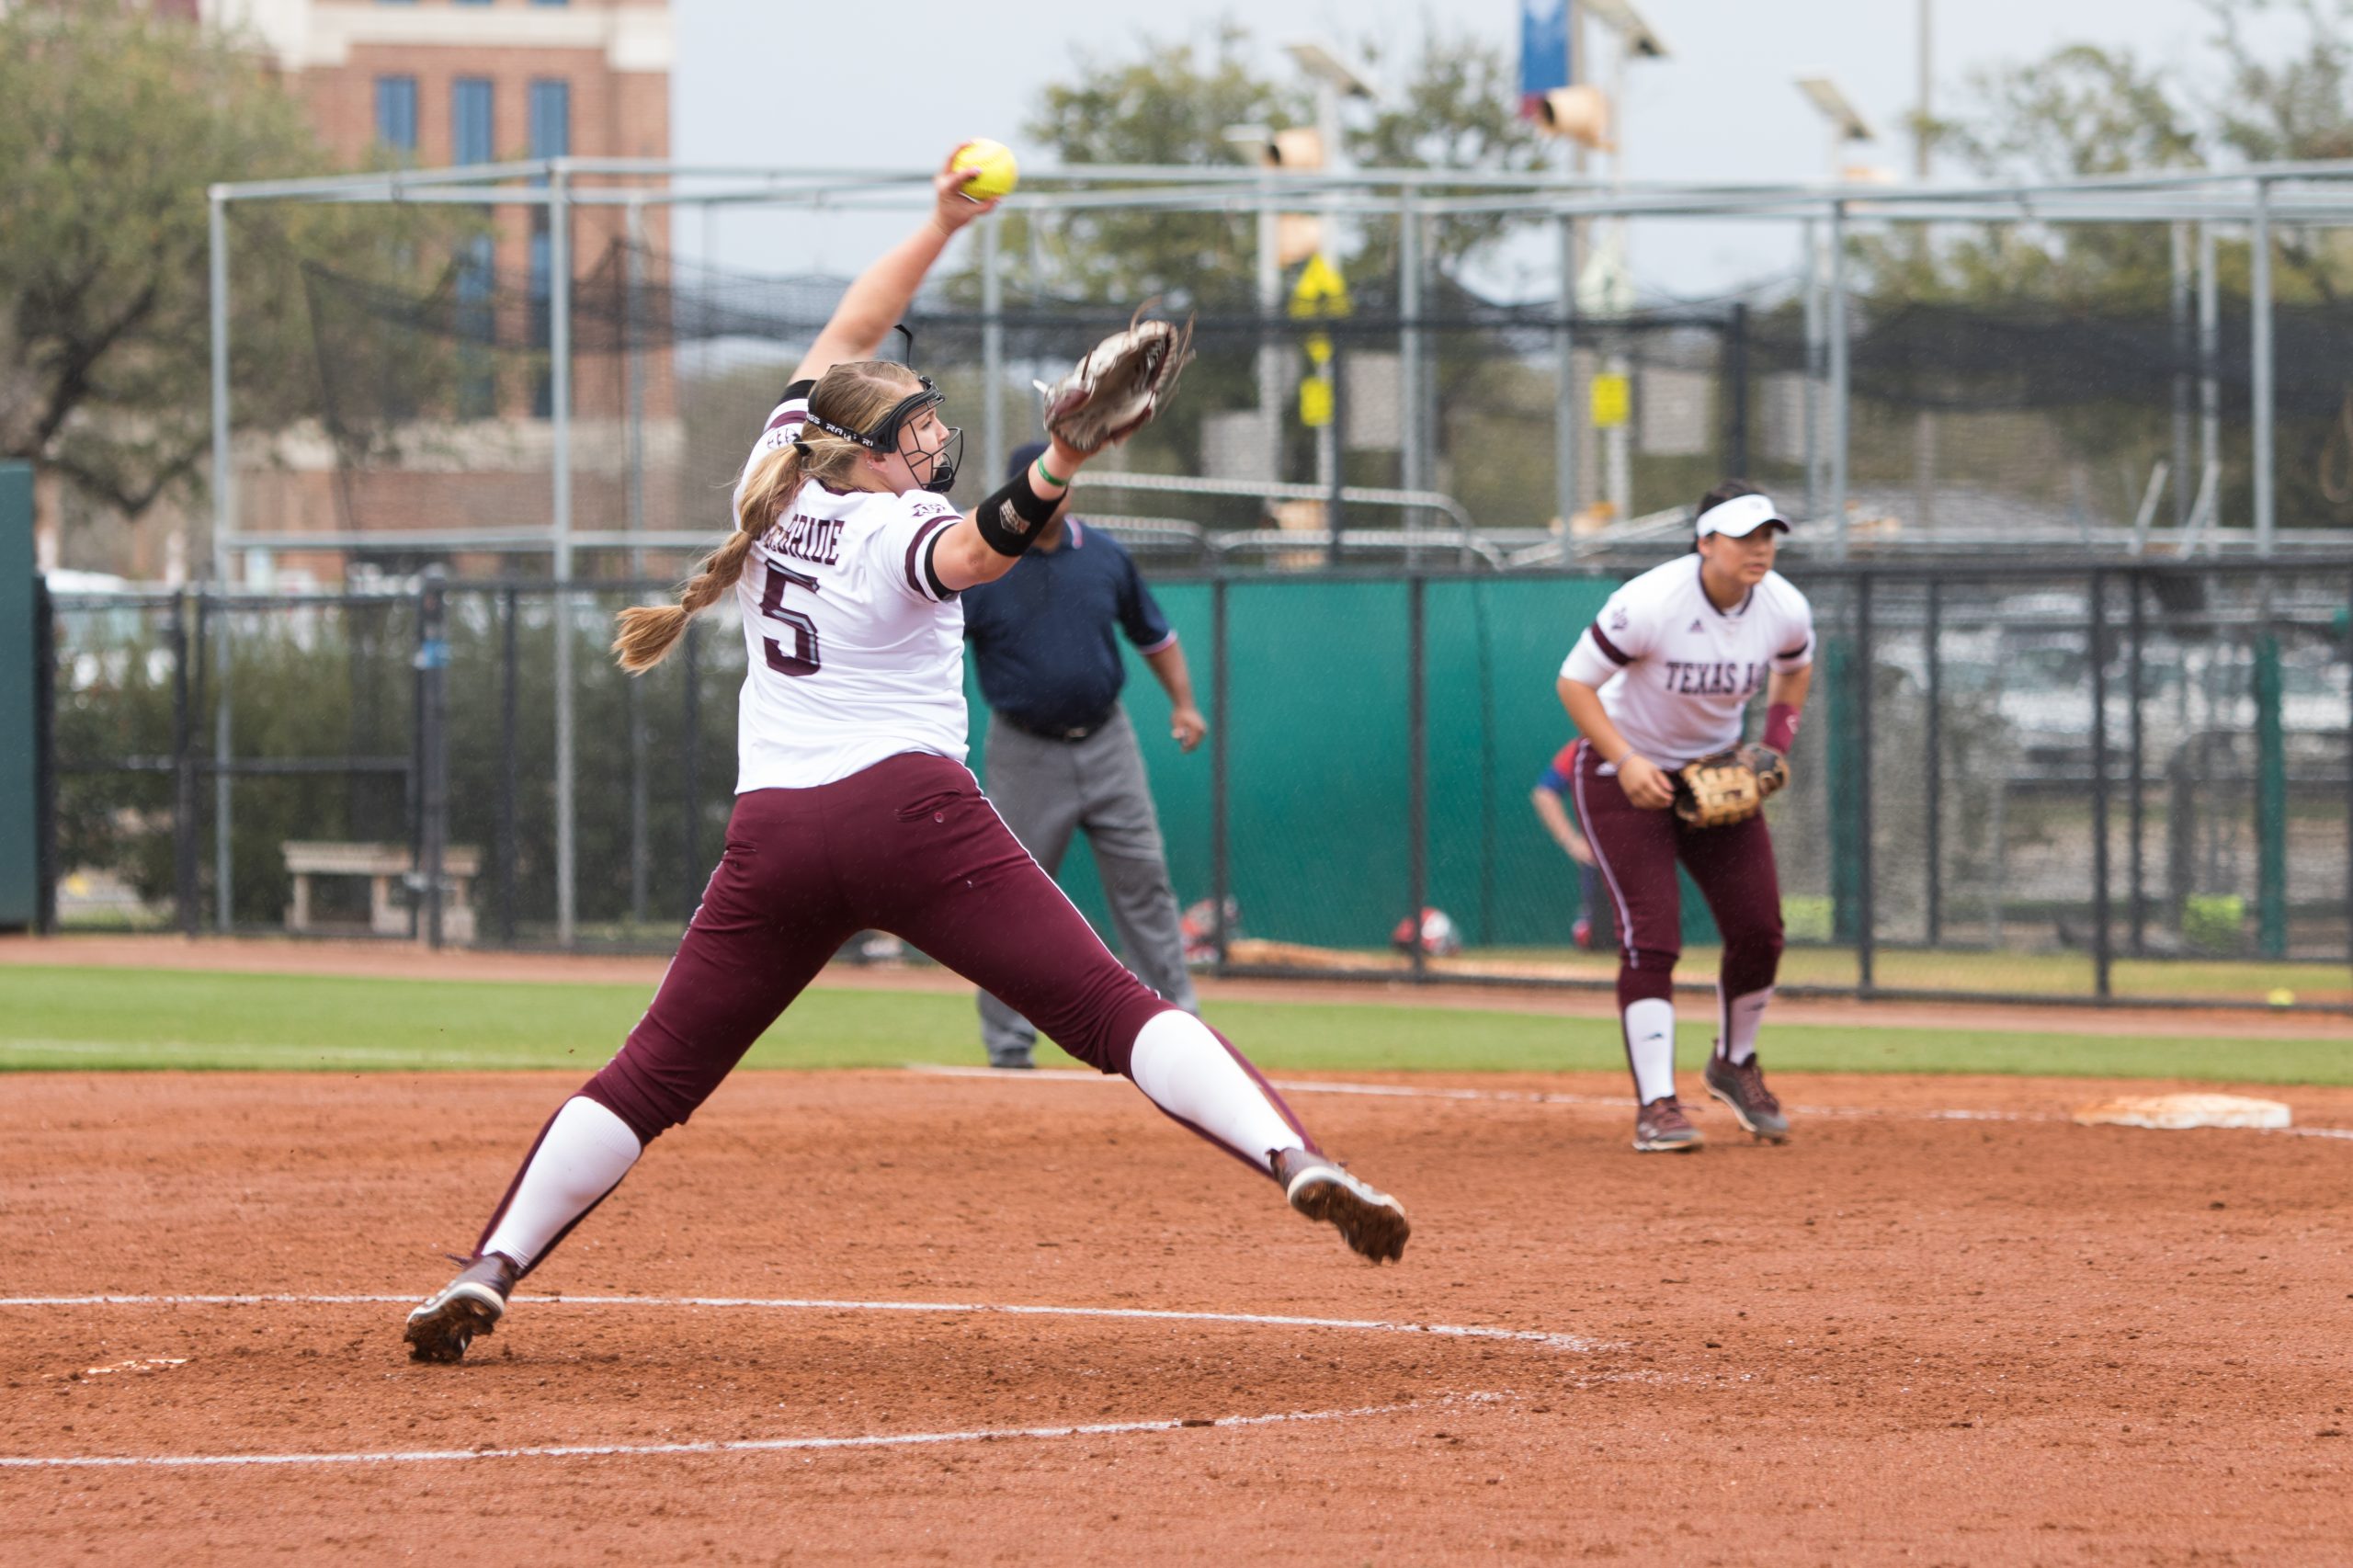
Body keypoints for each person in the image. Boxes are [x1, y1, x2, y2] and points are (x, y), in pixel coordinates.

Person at [402, 151, 1409, 1365]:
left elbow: (853, 324)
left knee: (653, 1073)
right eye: (918, 429)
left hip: (776, 836)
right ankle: (1295, 1156)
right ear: (873, 453)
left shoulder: (771, 479)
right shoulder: (900, 525)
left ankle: (490, 1263)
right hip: (911, 818)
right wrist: (1066, 462)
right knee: (1112, 1008)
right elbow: (986, 549)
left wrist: (939, 223)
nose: (935, 440)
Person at [1554, 481, 1813, 1153]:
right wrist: (1627, 758)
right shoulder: (1649, 602)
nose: (1761, 549)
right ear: (1705, 543)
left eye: (1768, 536)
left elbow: (1794, 671)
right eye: (1745, 537)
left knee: (1761, 929)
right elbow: (1574, 684)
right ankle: (1656, 1106)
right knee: (1653, 937)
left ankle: (1735, 1063)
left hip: (1714, 778)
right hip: (1622, 775)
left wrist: (1773, 746)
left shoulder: (1784, 607)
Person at [961, 440, 1207, 1070]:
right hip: (1023, 749)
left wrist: (1183, 703)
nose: (1052, 494)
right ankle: (1009, 1045)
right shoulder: (984, 562)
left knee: (1144, 880)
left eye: (1060, 483)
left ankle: (1177, 1027)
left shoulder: (1102, 556)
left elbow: (1155, 635)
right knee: (1010, 896)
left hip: (1106, 740)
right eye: (1038, 483)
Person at [1528, 744, 1611, 951]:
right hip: (1601, 863)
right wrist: (1571, 841)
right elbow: (1544, 793)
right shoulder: (1585, 748)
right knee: (1603, 943)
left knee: (1650, 940)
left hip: (1646, 859)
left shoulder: (1654, 740)